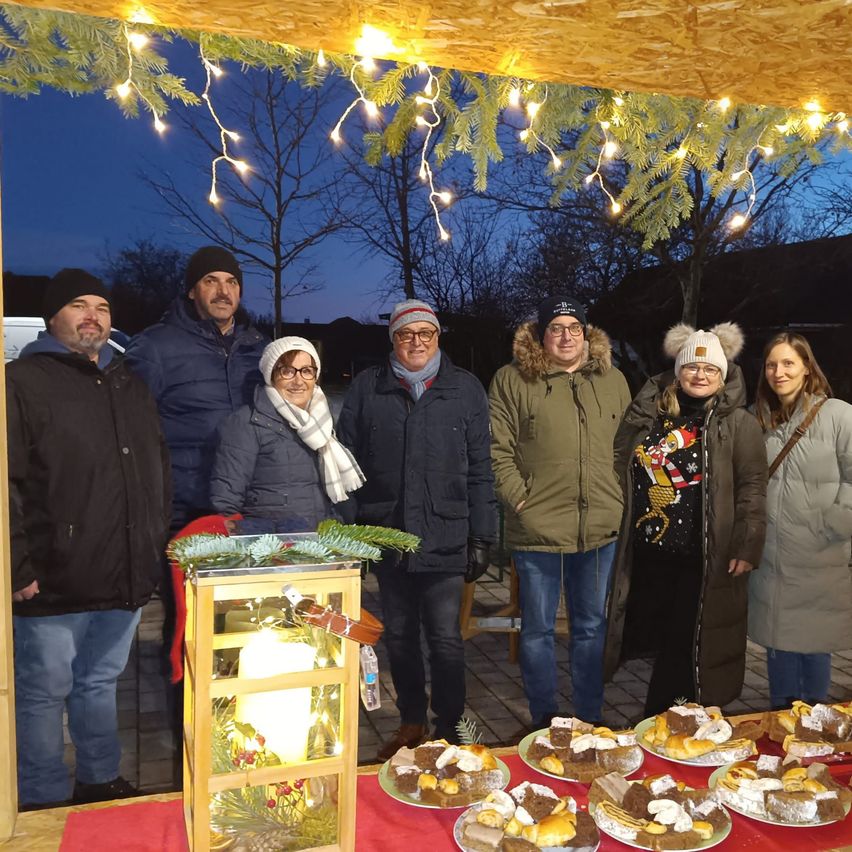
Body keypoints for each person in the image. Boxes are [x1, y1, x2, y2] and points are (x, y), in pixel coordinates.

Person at [7, 269, 171, 807]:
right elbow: (6, 480)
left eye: (101, 307)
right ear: (54, 316)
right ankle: (44, 796)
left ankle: (98, 780)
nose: (93, 316)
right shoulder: (23, 383)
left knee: (100, 685)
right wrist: (16, 566)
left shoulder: (128, 383)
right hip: (52, 576)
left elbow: (155, 470)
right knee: (42, 694)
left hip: (121, 568)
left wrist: (150, 545)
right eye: (79, 305)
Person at [337, 299, 497, 757]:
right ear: (394, 339)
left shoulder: (464, 389)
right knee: (401, 636)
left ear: (437, 337)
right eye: (406, 334)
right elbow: (345, 466)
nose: (416, 342)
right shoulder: (370, 388)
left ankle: (448, 726)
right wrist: (352, 536)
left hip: (445, 534)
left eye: (425, 333)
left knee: (445, 638)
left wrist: (482, 535)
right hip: (387, 534)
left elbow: (481, 469)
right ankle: (410, 723)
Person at [603, 323, 767, 716]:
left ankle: (661, 718)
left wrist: (747, 545)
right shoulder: (651, 414)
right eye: (692, 366)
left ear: (722, 375)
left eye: (710, 369)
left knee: (684, 643)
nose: (700, 375)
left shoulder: (738, 424)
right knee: (656, 639)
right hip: (647, 552)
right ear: (677, 371)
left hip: (700, 554)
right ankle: (680, 717)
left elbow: (753, 489)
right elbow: (618, 463)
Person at [489, 295, 631, 728]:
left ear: (586, 334)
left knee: (591, 626)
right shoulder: (512, 380)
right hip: (538, 528)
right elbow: (497, 450)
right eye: (556, 327)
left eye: (574, 327)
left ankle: (589, 715)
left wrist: (620, 498)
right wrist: (519, 498)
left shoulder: (613, 380)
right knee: (537, 630)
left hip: (599, 527)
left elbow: (627, 448)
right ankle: (544, 718)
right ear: (542, 334)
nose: (566, 336)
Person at [124, 245, 267, 529]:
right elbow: (129, 433)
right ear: (191, 291)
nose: (223, 291)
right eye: (210, 281)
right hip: (183, 509)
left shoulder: (259, 349)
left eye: (231, 282)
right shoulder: (155, 346)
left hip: (247, 507)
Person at [749, 332, 852, 708]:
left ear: (808, 368)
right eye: (772, 364)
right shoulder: (760, 420)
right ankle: (783, 721)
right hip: (773, 556)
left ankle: (815, 723)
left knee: (814, 644)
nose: (779, 372)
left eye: (789, 363)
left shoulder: (839, 415)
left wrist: (833, 526)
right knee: (779, 645)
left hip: (819, 555)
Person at [210, 336, 365, 532]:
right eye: (287, 371)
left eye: (307, 371)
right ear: (271, 375)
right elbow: (226, 503)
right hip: (270, 549)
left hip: (318, 545)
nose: (298, 380)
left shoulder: (321, 422)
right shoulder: (246, 423)